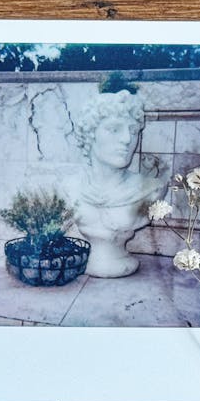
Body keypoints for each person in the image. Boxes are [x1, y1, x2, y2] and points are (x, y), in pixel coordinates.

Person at [73, 90, 167, 277]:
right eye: (114, 129)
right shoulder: (71, 187)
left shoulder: (150, 190)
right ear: (91, 134)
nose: (127, 139)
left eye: (133, 131)